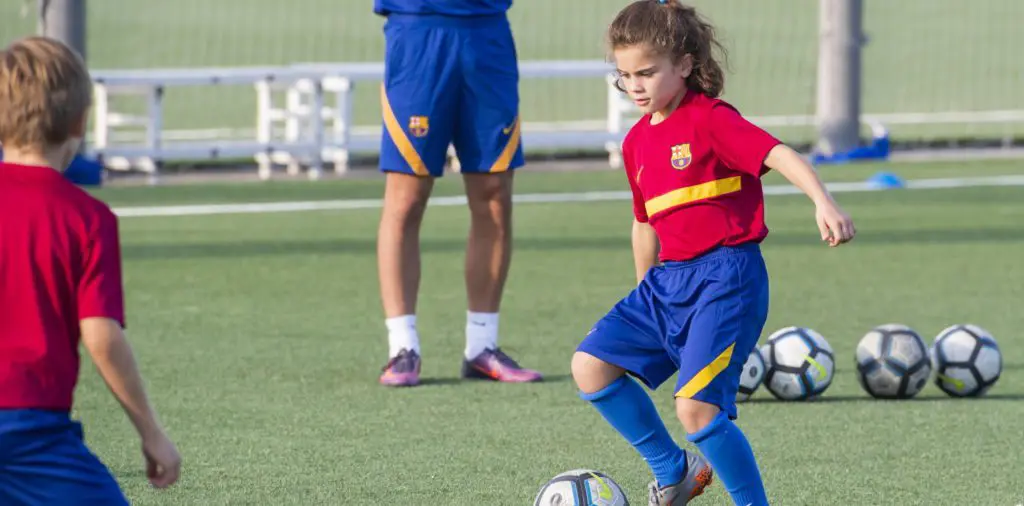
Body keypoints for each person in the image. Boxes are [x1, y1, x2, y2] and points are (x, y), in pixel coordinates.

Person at [570, 1, 856, 505]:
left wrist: (822, 201)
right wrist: (645, 290)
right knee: (590, 366)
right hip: (667, 282)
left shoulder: (710, 119)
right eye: (625, 76)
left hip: (727, 278)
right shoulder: (635, 143)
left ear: (684, 64)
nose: (635, 86)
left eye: (647, 73)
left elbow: (778, 153)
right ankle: (673, 470)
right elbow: (644, 223)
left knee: (696, 411)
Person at [0, 36, 181, 504]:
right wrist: (151, 432)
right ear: (80, 121)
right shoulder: (87, 219)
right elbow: (101, 335)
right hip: (32, 431)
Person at [372, 0, 542, 387]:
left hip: (487, 31)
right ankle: (402, 347)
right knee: (407, 197)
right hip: (418, 31)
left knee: (494, 194)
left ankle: (482, 345)